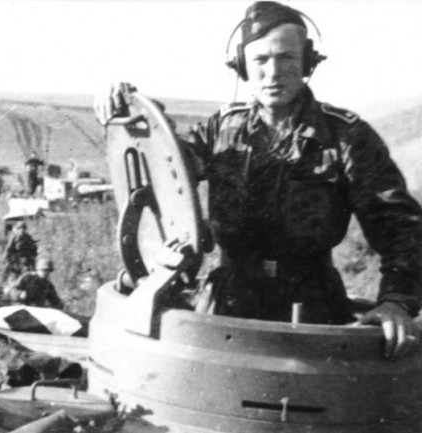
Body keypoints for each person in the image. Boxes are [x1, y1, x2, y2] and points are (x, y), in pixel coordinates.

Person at [94, 1, 422, 359]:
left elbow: (401, 226)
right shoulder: (220, 129)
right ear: (242, 66)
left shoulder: (346, 137)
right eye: (261, 60)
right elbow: (166, 174)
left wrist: (397, 302)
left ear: (307, 62)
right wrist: (131, 110)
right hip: (227, 302)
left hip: (313, 305)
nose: (273, 72)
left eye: (286, 58)